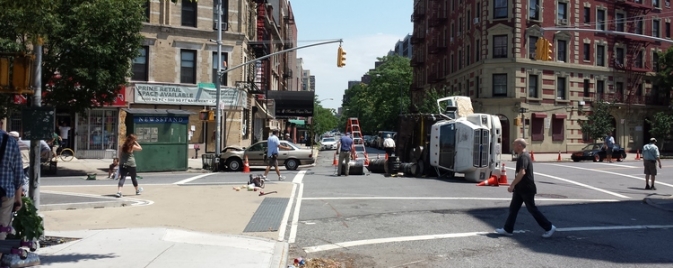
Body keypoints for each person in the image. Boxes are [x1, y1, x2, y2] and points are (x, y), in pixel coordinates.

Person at [495, 138, 556, 238]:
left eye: (514, 144)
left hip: (527, 188)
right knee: (513, 209)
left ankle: (549, 227)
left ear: (519, 145)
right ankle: (508, 229)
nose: (513, 146)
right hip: (520, 188)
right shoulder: (522, 156)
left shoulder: (524, 157)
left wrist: (512, 184)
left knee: (532, 209)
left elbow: (522, 172)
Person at [0, 129, 25, 258]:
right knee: (1, 232)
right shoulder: (10, 142)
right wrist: (18, 199)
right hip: (5, 193)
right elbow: (19, 175)